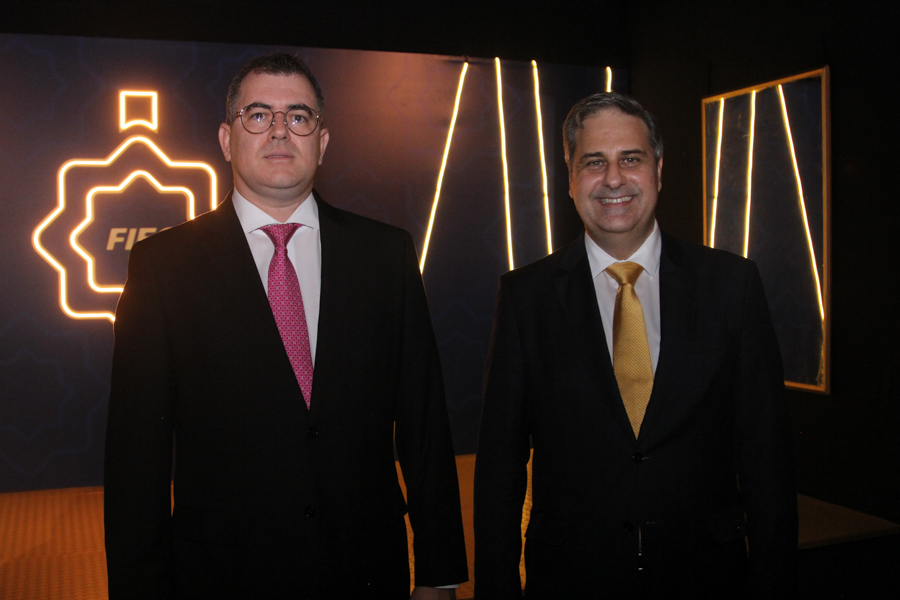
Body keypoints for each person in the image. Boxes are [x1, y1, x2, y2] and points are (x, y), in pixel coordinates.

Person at [104, 53, 467, 600]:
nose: (279, 130)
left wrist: (439, 571)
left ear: (322, 141)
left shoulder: (386, 255)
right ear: (226, 140)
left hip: (366, 566)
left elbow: (424, 424)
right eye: (258, 115)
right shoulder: (162, 267)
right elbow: (137, 459)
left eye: (298, 116)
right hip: (224, 575)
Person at [473, 92, 797, 598]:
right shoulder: (525, 298)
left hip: (707, 577)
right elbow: (500, 468)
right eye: (593, 162)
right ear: (570, 178)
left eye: (630, 159)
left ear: (659, 170)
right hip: (573, 580)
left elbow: (767, 458)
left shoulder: (732, 285)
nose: (613, 179)